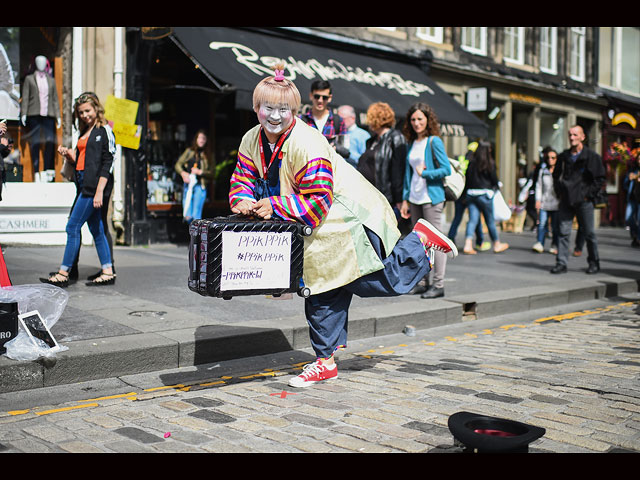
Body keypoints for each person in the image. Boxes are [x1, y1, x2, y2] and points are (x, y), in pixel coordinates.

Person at [228, 63, 457, 388]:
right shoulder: (251, 139)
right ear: (256, 108)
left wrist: (274, 205)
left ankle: (418, 242)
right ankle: (325, 362)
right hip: (317, 233)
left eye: (283, 109)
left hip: (347, 219)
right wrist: (241, 199)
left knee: (379, 280)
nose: (275, 116)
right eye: (268, 108)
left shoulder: (307, 142)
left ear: (295, 109)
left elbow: (318, 200)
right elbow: (244, 177)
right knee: (321, 291)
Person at [40, 92, 116, 287]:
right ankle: (107, 271)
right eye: (81, 112)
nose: (84, 115)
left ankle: (64, 273)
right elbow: (83, 161)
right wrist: (69, 155)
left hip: (92, 188)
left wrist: (99, 191)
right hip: (83, 185)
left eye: (88, 111)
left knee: (72, 226)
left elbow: (108, 162)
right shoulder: (85, 131)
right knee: (96, 228)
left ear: (97, 109)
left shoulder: (104, 130)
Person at [399, 102, 450, 299]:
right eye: (413, 119)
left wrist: (427, 173)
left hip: (431, 198)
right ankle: (421, 282)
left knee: (436, 242)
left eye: (420, 119)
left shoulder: (434, 141)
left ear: (428, 120)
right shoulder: (412, 143)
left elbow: (446, 169)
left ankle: (438, 284)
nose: (416, 123)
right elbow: (408, 175)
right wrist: (405, 199)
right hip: (415, 197)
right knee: (419, 242)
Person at [551, 125, 606, 274]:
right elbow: (555, 176)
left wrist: (588, 194)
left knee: (589, 233)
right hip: (566, 200)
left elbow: (599, 178)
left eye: (575, 135)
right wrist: (559, 191)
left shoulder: (591, 157)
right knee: (563, 232)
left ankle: (594, 262)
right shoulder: (563, 156)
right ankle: (561, 263)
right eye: (570, 135)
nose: (572, 137)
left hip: (584, 201)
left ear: (583, 137)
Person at [461, 141, 509, 254]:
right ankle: (496, 244)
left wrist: (464, 195)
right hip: (485, 195)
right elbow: (494, 180)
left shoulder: (471, 163)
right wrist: (496, 186)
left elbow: (467, 180)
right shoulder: (489, 163)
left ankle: (468, 244)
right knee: (490, 221)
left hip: (471, 194)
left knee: (472, 220)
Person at [357, 102, 406, 212]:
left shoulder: (395, 137)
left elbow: (398, 169)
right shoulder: (373, 140)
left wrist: (399, 199)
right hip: (369, 195)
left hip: (385, 198)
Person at [20, 55, 61, 183]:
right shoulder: (29, 79)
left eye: (43, 62)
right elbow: (26, 96)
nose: (41, 64)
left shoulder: (51, 80)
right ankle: (37, 172)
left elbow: (54, 99)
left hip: (48, 114)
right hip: (34, 113)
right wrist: (24, 113)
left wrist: (58, 116)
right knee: (36, 142)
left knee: (49, 141)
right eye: (39, 62)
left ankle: (48, 171)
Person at [447, 141, 489, 251]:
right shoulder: (474, 162)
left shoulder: (461, 159)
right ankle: (480, 242)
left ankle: (450, 239)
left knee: (457, 218)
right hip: (469, 195)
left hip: (459, 194)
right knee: (476, 219)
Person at [175, 129, 213, 224]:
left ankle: (195, 238)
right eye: (200, 138)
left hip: (200, 186)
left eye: (204, 138)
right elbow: (178, 164)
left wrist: (200, 172)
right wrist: (183, 173)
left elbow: (212, 173)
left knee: (196, 216)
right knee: (187, 215)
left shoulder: (208, 154)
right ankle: (192, 235)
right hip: (189, 185)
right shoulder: (189, 151)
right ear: (196, 139)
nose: (201, 140)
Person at [532, 147, 559, 254]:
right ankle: (540, 243)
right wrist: (537, 200)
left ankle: (554, 245)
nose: (550, 160)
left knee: (555, 226)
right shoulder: (543, 171)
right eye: (548, 158)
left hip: (556, 203)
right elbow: (538, 186)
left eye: (553, 158)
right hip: (544, 202)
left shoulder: (559, 171)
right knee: (542, 224)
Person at [623, 154, 640, 248]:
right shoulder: (633, 170)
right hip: (633, 198)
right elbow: (625, 185)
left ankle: (638, 239)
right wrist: (629, 180)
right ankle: (635, 234)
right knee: (628, 218)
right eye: (639, 159)